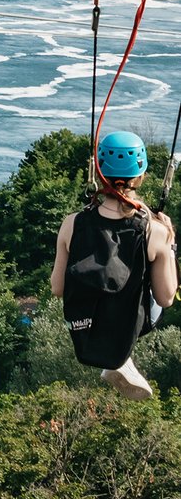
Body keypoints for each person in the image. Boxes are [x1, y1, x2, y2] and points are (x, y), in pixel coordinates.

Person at [52, 130, 178, 400]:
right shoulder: (154, 231)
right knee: (154, 286)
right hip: (131, 321)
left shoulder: (72, 223)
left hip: (86, 323)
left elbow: (58, 287)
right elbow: (166, 298)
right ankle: (123, 355)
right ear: (140, 176)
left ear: (99, 173)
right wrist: (170, 246)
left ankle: (120, 358)